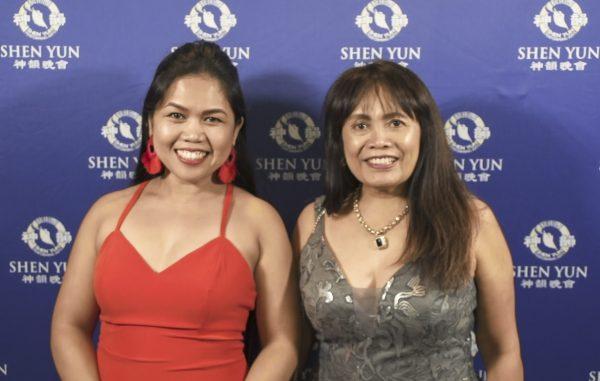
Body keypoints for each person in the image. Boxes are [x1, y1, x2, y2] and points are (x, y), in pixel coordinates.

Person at [51, 41, 299, 381]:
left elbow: (283, 343)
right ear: (152, 122)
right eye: (176, 115)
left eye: (212, 119)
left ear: (236, 129)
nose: (193, 133)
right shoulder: (105, 215)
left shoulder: (259, 221)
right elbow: (68, 327)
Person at [293, 61, 523, 380]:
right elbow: (294, 346)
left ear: (424, 133)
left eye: (396, 123)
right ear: (340, 139)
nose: (379, 140)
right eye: (360, 125)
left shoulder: (472, 221)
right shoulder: (312, 221)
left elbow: (503, 353)